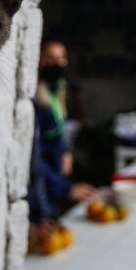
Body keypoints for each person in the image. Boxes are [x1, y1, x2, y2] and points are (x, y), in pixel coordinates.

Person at [27, 40, 97, 226]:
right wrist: (67, 189)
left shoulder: (58, 91)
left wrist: (65, 151)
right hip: (41, 185)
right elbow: (33, 158)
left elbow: (58, 131)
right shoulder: (34, 98)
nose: (57, 63)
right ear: (40, 60)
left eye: (61, 58)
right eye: (50, 58)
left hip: (55, 175)